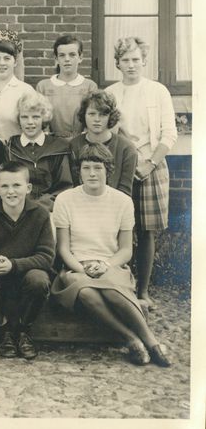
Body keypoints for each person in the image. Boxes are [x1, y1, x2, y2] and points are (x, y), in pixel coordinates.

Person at [51, 144, 171, 367]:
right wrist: (80, 268)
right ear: (79, 171)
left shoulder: (122, 201)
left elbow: (126, 250)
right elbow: (64, 249)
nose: (92, 174)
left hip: (111, 266)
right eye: (86, 168)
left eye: (98, 168)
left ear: (109, 170)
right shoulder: (65, 200)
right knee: (86, 292)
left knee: (113, 293)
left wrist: (106, 264)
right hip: (75, 268)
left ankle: (152, 343)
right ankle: (131, 339)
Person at [106, 37, 177, 308]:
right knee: (117, 228)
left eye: (136, 59)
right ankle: (118, 286)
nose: (131, 65)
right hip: (121, 165)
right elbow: (111, 132)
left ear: (144, 61)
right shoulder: (112, 93)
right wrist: (128, 162)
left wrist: (149, 164)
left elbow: (169, 134)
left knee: (146, 230)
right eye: (125, 60)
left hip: (152, 165)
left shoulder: (157, 91)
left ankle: (143, 290)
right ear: (118, 64)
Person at [0, 162, 54, 359]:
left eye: (17, 185)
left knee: (39, 279)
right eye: (5, 186)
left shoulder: (40, 215)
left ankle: (23, 331)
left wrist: (14, 265)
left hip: (25, 275)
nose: (11, 192)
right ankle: (3, 332)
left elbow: (46, 256)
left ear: (28, 188)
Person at [5, 92, 73, 213]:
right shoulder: (10, 148)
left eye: (35, 117)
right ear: (19, 119)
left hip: (51, 211)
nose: (30, 122)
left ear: (44, 118)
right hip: (17, 210)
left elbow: (64, 187)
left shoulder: (58, 147)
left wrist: (40, 207)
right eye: (24, 117)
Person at [69, 90, 138, 196]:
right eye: (92, 114)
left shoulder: (126, 148)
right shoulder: (73, 146)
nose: (97, 119)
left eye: (103, 114)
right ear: (84, 115)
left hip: (115, 206)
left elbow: (125, 190)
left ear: (111, 116)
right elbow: (72, 186)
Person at [36, 35, 97, 139]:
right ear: (56, 59)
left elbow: (92, 118)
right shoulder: (43, 86)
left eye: (72, 55)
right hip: (51, 144)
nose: (67, 59)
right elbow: (39, 119)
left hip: (81, 143)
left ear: (80, 58)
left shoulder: (90, 86)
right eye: (62, 55)